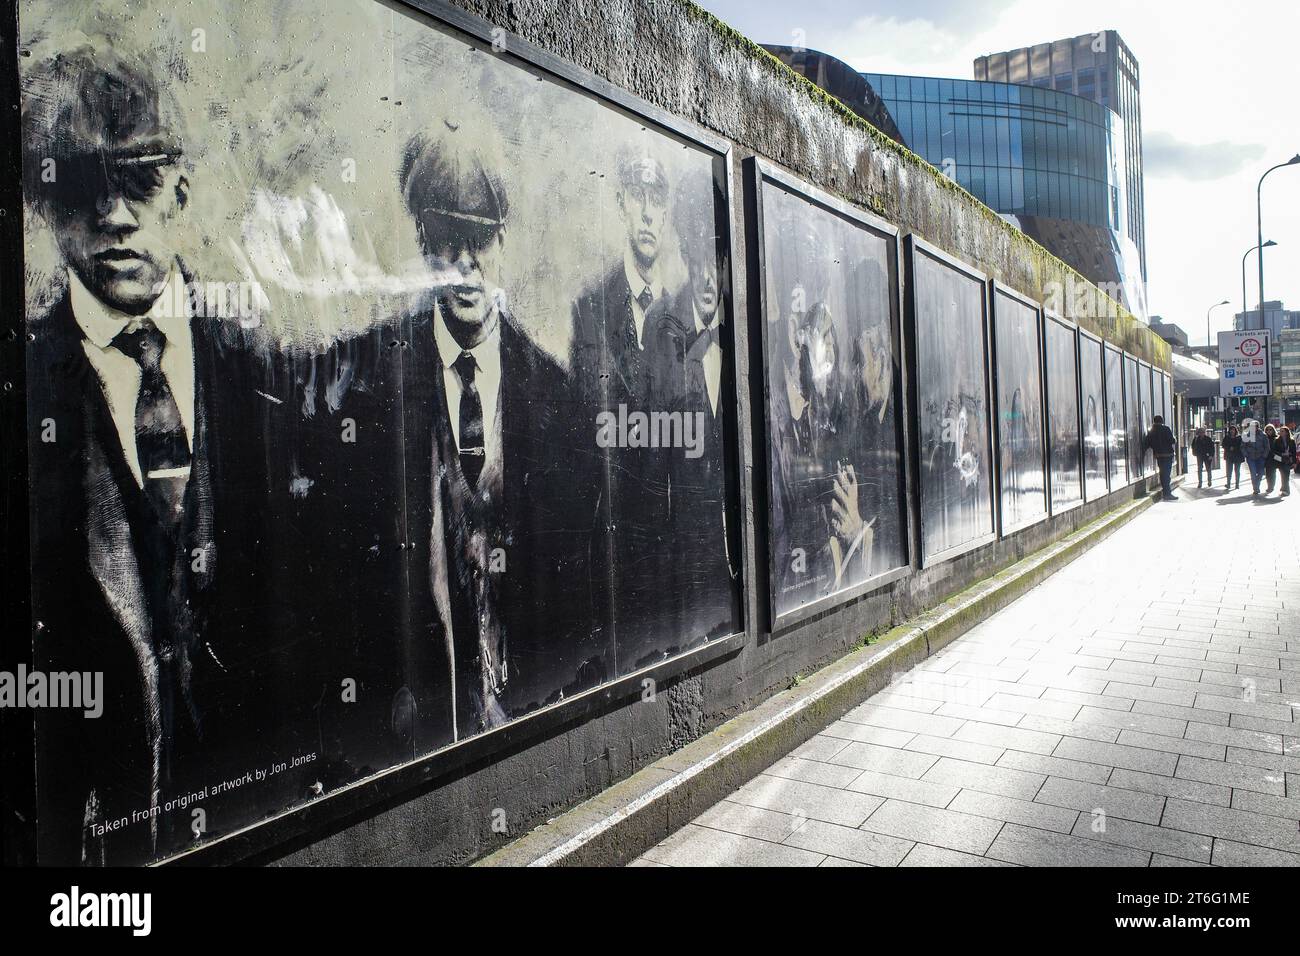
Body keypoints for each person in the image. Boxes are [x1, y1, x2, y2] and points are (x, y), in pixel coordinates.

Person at [20, 44, 296, 865]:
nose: (112, 217)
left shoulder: (263, 368)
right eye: (78, 186)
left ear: (182, 188)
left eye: (137, 180)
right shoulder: (27, 382)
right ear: (43, 203)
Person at [295, 120, 601, 775]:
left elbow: (578, 586)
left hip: (532, 728)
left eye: (480, 239)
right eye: (444, 240)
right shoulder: (362, 382)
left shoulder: (556, 395)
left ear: (504, 236)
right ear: (420, 238)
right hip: (411, 742)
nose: (464, 264)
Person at [644, 168, 743, 649]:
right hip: (685, 560)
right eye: (697, 257)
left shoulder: (745, 333)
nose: (708, 276)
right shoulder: (659, 328)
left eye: (716, 260)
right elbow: (651, 458)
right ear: (683, 252)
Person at [1143, 415, 1177, 500]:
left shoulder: (1151, 431)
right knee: (1166, 475)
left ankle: (1166, 492)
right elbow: (1172, 441)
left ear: (1154, 421)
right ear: (1162, 421)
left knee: (1162, 474)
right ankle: (1167, 493)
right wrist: (1174, 439)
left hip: (1159, 456)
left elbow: (1147, 443)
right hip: (1168, 455)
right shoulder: (1166, 429)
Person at [1242, 419, 1270, 496]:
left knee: (1261, 473)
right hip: (1250, 457)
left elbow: (1267, 447)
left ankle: (1257, 484)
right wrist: (1246, 454)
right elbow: (1243, 446)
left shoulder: (1263, 435)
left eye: (1255, 427)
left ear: (1258, 427)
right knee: (1253, 473)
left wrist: (1264, 456)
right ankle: (1256, 488)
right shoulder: (1247, 435)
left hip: (1260, 457)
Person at [1267, 425, 1296, 497]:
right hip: (1280, 460)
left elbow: (1294, 452)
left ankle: (1285, 489)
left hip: (1288, 460)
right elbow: (1274, 451)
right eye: (1280, 431)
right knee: (1283, 475)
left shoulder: (1291, 441)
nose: (1280, 432)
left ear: (1286, 432)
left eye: (1282, 431)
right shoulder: (1277, 440)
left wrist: (1294, 462)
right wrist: (1282, 454)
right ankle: (1285, 490)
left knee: (1286, 476)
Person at [1221, 425, 1243, 490]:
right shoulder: (1227, 437)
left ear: (1235, 430)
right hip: (1229, 456)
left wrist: (1235, 448)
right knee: (1229, 471)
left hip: (1237, 456)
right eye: (1231, 429)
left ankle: (1237, 484)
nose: (1232, 431)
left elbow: (1241, 446)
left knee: (1237, 471)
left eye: (1233, 429)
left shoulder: (1239, 437)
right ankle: (1228, 484)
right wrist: (1228, 448)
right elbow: (1223, 445)